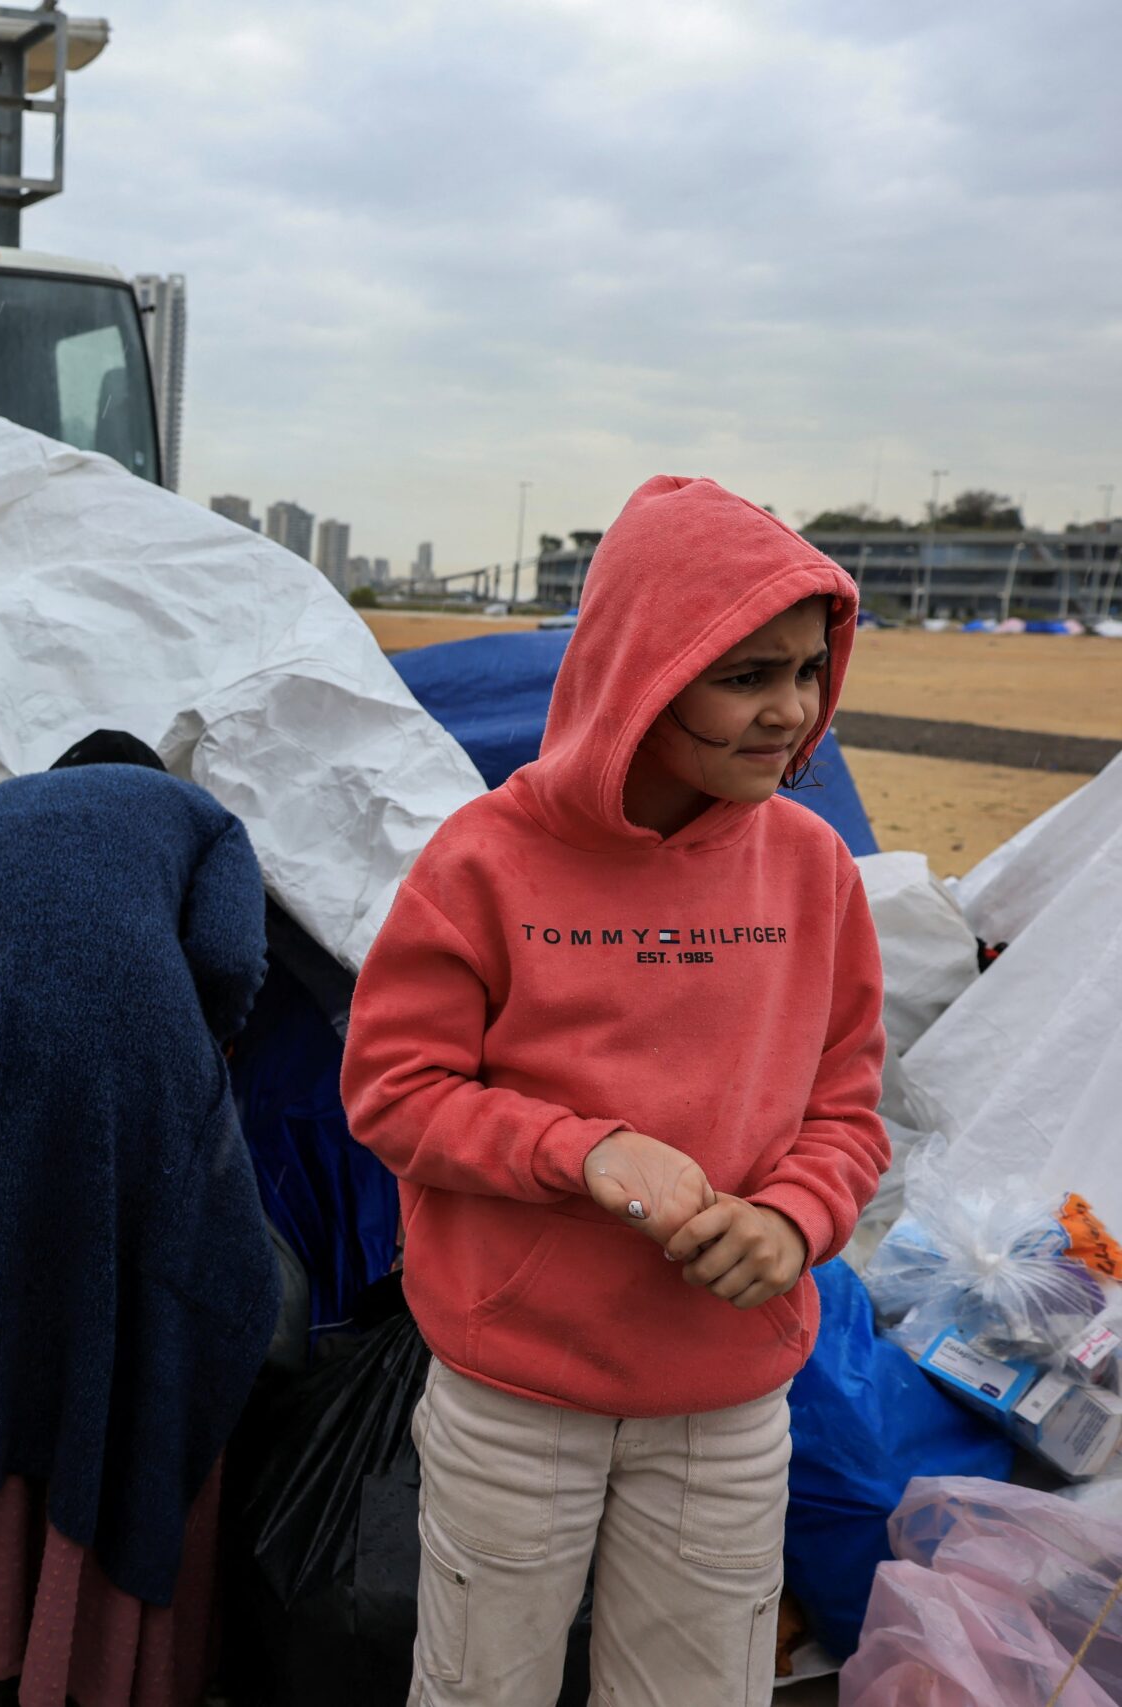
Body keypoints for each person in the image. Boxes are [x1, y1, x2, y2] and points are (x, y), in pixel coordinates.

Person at [339, 475, 888, 1707]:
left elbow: (847, 1110)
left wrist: (795, 1217)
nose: (792, 710)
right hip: (514, 1394)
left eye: (809, 669)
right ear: (645, 673)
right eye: (745, 675)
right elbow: (390, 1089)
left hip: (728, 1401)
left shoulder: (813, 869)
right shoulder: (484, 859)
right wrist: (580, 1151)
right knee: (480, 1690)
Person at [0, 733, 294, 1707]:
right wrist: (193, 1044)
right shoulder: (202, 817)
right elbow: (227, 956)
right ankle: (95, 1641)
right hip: (124, 1063)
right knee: (167, 1302)